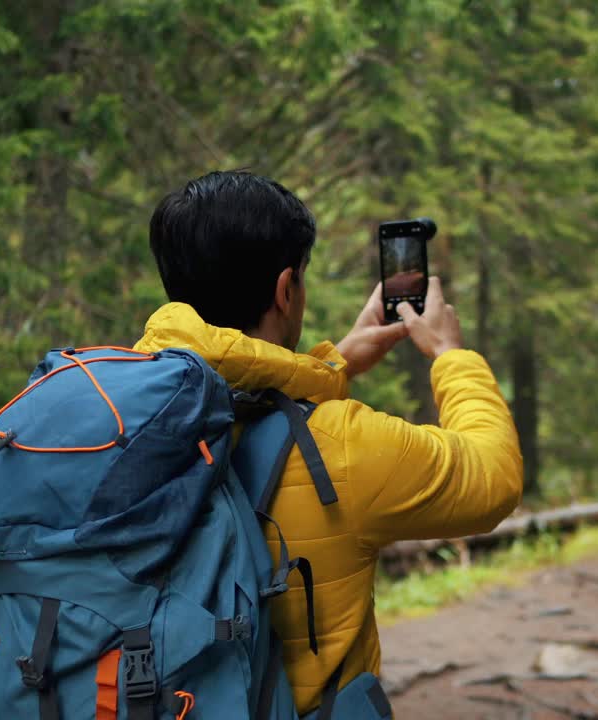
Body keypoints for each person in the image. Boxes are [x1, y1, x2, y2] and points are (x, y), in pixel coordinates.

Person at [135, 170, 523, 715]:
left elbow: (244, 388)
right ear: (285, 289)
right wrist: (450, 356)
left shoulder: (125, 416)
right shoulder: (340, 446)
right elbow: (494, 477)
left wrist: (333, 364)